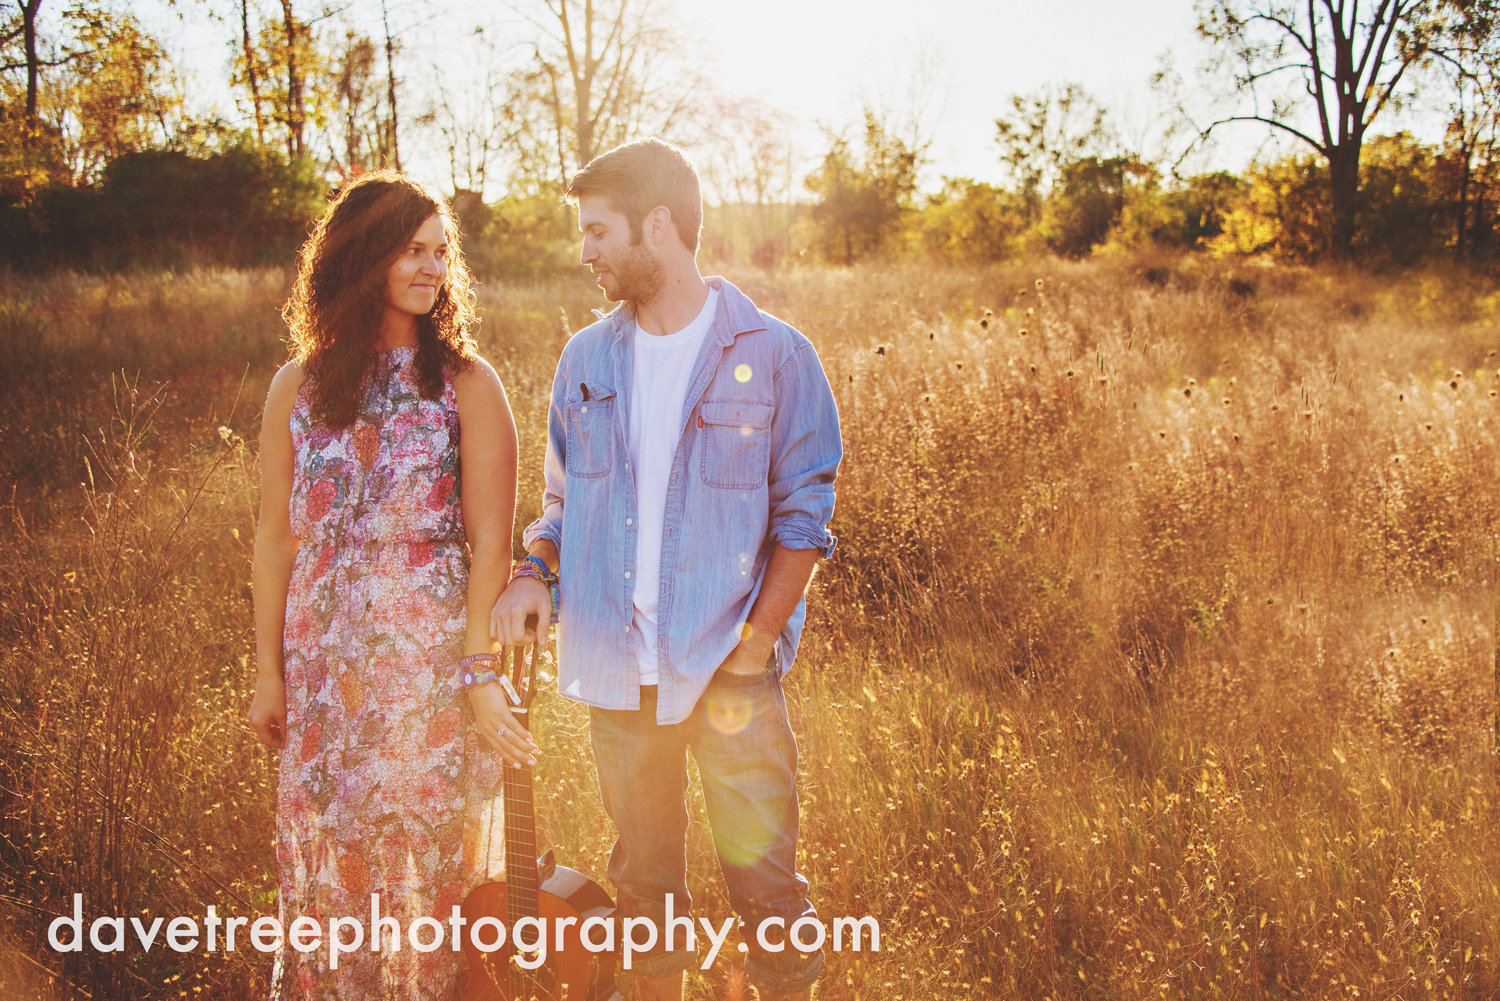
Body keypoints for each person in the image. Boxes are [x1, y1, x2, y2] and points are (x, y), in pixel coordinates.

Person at [489, 138, 842, 1001]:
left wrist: (754, 650)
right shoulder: (585, 363)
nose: (585, 253)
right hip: (620, 681)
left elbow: (804, 522)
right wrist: (536, 568)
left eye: (598, 231)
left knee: (768, 896)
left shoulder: (778, 354)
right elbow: (564, 501)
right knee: (645, 897)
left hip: (733, 680)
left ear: (657, 225)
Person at [247, 171, 533, 1000]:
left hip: (426, 672)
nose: (432, 268)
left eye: (441, 253)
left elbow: (490, 546)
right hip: (322, 671)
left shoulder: (464, 384)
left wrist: (479, 673)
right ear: (362, 253)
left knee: (423, 857)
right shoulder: (296, 386)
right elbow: (274, 537)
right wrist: (268, 670)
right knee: (332, 862)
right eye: (413, 250)